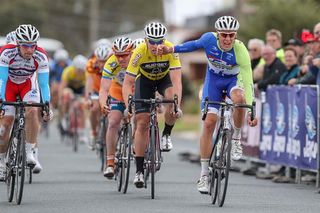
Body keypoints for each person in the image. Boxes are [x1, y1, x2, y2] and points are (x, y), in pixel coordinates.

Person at [158, 16, 258, 194]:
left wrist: (251, 108)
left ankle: (235, 138)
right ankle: (204, 174)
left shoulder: (241, 50)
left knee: (240, 100)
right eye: (224, 35)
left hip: (233, 81)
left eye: (231, 35)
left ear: (235, 35)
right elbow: (191, 46)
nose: (227, 39)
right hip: (213, 81)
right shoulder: (208, 39)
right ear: (218, 34)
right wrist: (171, 49)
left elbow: (249, 80)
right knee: (210, 122)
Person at [122, 22, 183, 188]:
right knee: (142, 121)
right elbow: (127, 83)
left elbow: (177, 80)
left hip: (164, 80)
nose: (157, 46)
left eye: (160, 41)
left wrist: (176, 104)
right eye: (152, 42)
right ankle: (139, 171)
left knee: (172, 99)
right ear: (145, 40)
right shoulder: (139, 52)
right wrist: (129, 103)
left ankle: (166, 135)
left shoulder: (170, 49)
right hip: (145, 82)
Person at [0, 24, 52, 180]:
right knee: (6, 122)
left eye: (33, 45)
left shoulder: (41, 55)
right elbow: (2, 79)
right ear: (17, 43)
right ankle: (1, 162)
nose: (29, 50)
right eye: (25, 46)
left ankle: (30, 151)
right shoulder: (6, 52)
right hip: (8, 85)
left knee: (31, 110)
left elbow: (43, 84)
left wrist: (46, 105)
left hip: (27, 85)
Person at [99, 37, 133, 179]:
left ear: (131, 52)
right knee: (113, 122)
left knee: (139, 116)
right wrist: (102, 103)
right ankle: (110, 162)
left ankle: (138, 148)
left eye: (124, 55)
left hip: (135, 91)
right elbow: (103, 88)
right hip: (117, 91)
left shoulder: (139, 59)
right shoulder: (111, 62)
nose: (121, 59)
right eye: (118, 55)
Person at [86, 44, 112, 150]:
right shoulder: (91, 64)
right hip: (97, 90)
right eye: (100, 60)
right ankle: (93, 132)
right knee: (94, 109)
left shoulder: (114, 63)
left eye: (105, 61)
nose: (102, 64)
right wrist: (88, 97)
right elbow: (89, 81)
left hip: (111, 90)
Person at [59, 55, 88, 143]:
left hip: (80, 89)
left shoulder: (86, 73)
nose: (80, 72)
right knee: (66, 95)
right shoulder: (68, 71)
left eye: (81, 70)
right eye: (78, 70)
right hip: (69, 87)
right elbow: (62, 86)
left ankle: (82, 133)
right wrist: (61, 100)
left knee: (83, 106)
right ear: (74, 67)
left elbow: (87, 88)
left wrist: (86, 99)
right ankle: (65, 116)